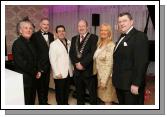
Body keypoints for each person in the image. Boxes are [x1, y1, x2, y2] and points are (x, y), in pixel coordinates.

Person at [112, 12, 149, 105]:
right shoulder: (121, 36)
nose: (121, 23)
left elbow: (141, 62)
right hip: (120, 84)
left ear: (132, 22)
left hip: (131, 86)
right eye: (119, 21)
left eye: (124, 20)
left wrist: (136, 84)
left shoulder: (139, 36)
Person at [69, 19, 98, 105]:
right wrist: (76, 64)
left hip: (88, 72)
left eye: (83, 26)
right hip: (77, 73)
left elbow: (92, 53)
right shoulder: (74, 38)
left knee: (92, 94)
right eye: (79, 26)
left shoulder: (93, 37)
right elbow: (71, 53)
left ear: (87, 27)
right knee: (79, 93)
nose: (81, 28)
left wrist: (82, 64)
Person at [12, 19, 37, 105]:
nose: (29, 30)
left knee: (31, 101)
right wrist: (35, 71)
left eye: (30, 28)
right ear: (20, 31)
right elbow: (22, 63)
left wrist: (37, 70)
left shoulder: (31, 43)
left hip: (32, 78)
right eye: (26, 28)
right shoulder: (17, 44)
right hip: (24, 80)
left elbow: (35, 59)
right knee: (25, 102)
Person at [31, 18, 54, 105]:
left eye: (47, 24)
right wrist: (38, 68)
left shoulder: (51, 35)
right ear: (40, 25)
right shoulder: (34, 36)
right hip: (39, 66)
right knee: (40, 87)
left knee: (46, 86)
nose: (46, 26)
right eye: (44, 24)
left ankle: (45, 102)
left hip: (48, 66)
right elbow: (33, 53)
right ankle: (42, 104)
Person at [93, 23, 117, 105]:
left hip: (107, 79)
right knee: (103, 98)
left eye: (105, 30)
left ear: (109, 32)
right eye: (102, 30)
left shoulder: (111, 45)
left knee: (107, 100)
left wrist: (104, 81)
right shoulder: (99, 43)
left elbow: (109, 64)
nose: (103, 32)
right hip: (99, 76)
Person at [49, 25, 73, 105]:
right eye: (59, 31)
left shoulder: (69, 42)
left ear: (65, 32)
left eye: (63, 31)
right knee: (60, 92)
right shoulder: (53, 44)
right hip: (59, 73)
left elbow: (70, 57)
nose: (61, 32)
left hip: (68, 72)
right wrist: (56, 72)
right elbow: (52, 60)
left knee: (66, 91)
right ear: (56, 33)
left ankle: (65, 104)